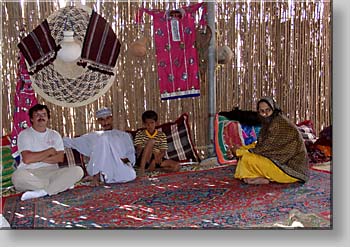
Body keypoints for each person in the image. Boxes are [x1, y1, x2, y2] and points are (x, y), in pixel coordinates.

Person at [227, 97, 309, 185]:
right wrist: (240, 149)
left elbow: (264, 149)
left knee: (247, 158)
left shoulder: (278, 124)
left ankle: (255, 177)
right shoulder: (269, 123)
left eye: (268, 110)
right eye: (262, 111)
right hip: (279, 161)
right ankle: (254, 178)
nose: (265, 114)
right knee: (246, 157)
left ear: (274, 110)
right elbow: (259, 145)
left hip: (291, 169)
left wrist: (238, 152)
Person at [11, 104, 84, 201]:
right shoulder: (25, 135)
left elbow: (59, 158)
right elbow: (27, 159)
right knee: (17, 177)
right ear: (31, 119)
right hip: (30, 172)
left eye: (44, 115)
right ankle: (59, 186)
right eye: (37, 115)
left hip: (52, 171)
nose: (41, 117)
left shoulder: (54, 135)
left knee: (78, 171)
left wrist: (36, 158)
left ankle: (43, 192)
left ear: (48, 118)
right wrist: (49, 151)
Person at [63, 107, 136, 186]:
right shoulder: (93, 136)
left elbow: (130, 154)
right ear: (98, 122)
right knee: (102, 138)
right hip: (103, 168)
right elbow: (72, 142)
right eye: (102, 119)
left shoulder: (123, 135)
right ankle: (96, 176)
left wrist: (125, 161)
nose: (105, 122)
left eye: (107, 118)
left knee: (130, 175)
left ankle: (98, 177)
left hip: (120, 167)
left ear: (111, 119)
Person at [134, 110, 180, 176]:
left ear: (156, 123)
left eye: (152, 123)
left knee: (176, 166)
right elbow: (139, 149)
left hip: (157, 158)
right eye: (147, 123)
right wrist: (153, 151)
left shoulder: (161, 135)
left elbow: (163, 151)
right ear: (144, 124)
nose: (149, 125)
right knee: (151, 141)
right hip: (144, 159)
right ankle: (142, 170)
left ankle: (154, 169)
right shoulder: (140, 134)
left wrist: (155, 161)